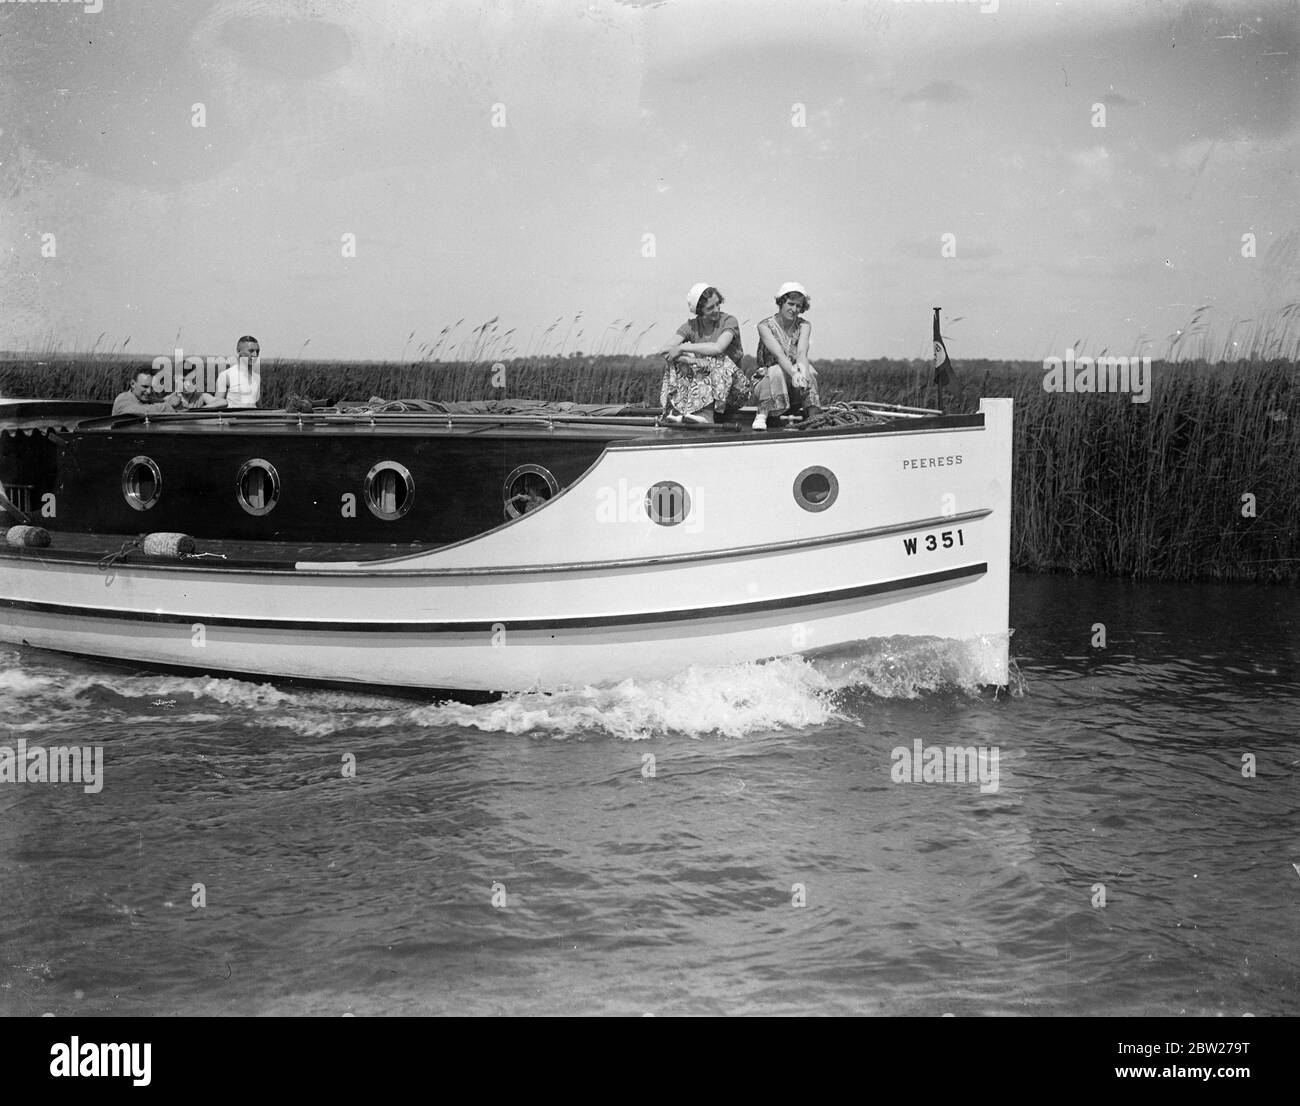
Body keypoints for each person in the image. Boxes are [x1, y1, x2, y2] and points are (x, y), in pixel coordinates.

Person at [658, 284, 750, 423]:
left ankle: (707, 414)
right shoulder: (691, 326)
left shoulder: (729, 321)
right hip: (708, 387)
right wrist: (690, 360)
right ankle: (679, 409)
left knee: (715, 358)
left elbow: (718, 347)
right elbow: (665, 351)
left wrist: (683, 348)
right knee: (676, 360)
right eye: (710, 308)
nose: (717, 310)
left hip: (733, 390)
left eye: (718, 304)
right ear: (699, 311)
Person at [752, 281, 821, 430]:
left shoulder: (804, 326)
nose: (794, 309)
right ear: (781, 303)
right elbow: (779, 355)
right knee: (776, 370)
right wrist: (794, 374)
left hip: (792, 383)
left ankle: (814, 415)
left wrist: (802, 372)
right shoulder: (764, 326)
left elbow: (802, 353)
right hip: (767, 380)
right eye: (790, 304)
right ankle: (763, 414)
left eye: (798, 306)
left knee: (809, 370)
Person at [213, 335, 262, 409]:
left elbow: (258, 405)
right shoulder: (225, 375)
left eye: (257, 351)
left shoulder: (257, 377)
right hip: (232, 419)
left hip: (252, 419)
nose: (255, 355)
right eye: (251, 351)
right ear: (238, 351)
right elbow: (217, 405)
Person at [112, 369, 186, 416]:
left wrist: (172, 399)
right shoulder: (122, 399)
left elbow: (161, 401)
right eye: (145, 387)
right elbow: (141, 411)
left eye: (152, 387)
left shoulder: (146, 399)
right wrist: (168, 405)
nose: (149, 391)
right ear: (132, 384)